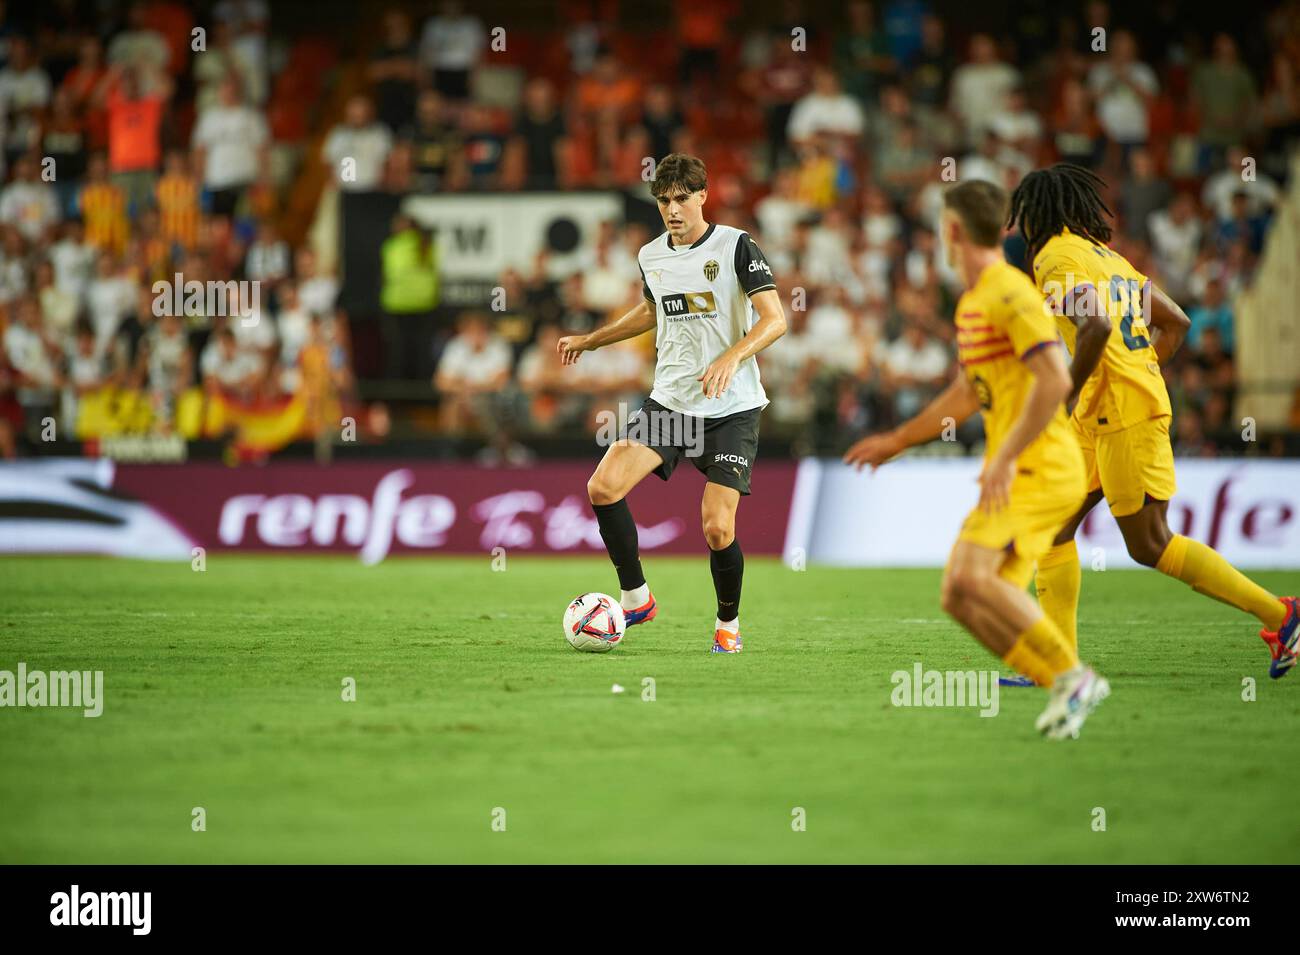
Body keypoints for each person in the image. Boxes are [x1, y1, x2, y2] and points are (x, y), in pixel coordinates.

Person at [1006, 163, 1298, 678]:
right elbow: (1175, 322)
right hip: (1105, 410)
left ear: (1036, 215)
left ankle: (1284, 615)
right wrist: (1138, 368)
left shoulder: (1053, 259)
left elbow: (1093, 325)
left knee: (1149, 543)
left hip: (1121, 411)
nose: (1020, 227)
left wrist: (1066, 393)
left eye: (1023, 216)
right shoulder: (1109, 259)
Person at [844, 179, 1110, 739]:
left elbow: (1054, 377)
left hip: (1041, 467)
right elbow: (968, 392)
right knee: (960, 595)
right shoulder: (973, 303)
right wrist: (898, 440)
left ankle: (1072, 676)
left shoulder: (1009, 293)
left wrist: (1005, 455)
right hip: (1023, 468)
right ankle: (1063, 681)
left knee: (970, 577)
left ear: (954, 230)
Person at [557, 153, 787, 653]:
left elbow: (775, 319)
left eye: (682, 198)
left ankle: (728, 625)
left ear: (704, 195)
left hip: (731, 407)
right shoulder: (651, 256)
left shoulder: (736, 246)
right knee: (602, 487)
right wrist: (593, 339)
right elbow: (651, 310)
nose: (673, 209)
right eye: (664, 201)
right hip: (672, 406)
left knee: (717, 528)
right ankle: (636, 597)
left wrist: (731, 357)